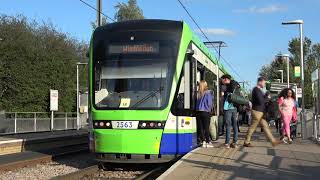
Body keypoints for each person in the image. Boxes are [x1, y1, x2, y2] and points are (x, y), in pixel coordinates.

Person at [244, 77, 282, 147]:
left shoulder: (259, 90)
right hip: (257, 111)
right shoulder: (256, 90)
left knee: (265, 126)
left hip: (260, 112)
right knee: (253, 127)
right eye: (264, 83)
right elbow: (260, 101)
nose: (264, 84)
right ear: (260, 82)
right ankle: (246, 142)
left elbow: (262, 99)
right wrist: (267, 98)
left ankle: (273, 141)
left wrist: (265, 96)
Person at [221, 74, 239, 149]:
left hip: (228, 108)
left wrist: (223, 93)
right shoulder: (236, 85)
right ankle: (234, 142)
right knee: (235, 125)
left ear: (225, 79)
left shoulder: (228, 86)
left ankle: (227, 143)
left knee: (228, 125)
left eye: (223, 80)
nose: (222, 82)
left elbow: (225, 95)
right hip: (235, 108)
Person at [196, 80, 214, 148]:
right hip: (205, 112)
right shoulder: (208, 92)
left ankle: (203, 142)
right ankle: (208, 142)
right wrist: (209, 109)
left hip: (198, 112)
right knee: (206, 128)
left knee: (201, 128)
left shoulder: (199, 93)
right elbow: (209, 103)